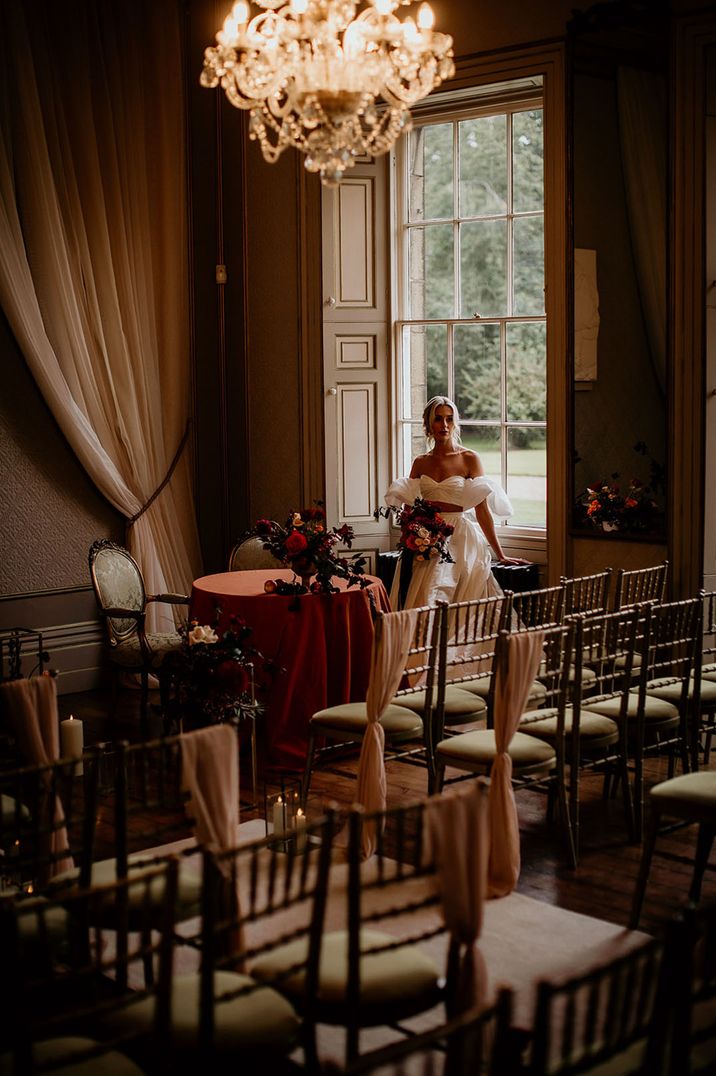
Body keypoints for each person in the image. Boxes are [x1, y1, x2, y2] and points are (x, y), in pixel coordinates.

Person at [385, 396, 528, 610]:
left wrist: (501, 555)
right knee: (422, 594)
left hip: (460, 537)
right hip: (426, 538)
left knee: (445, 589)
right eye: (438, 419)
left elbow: (482, 511)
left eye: (449, 419)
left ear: (455, 423)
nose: (444, 425)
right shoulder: (421, 462)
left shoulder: (469, 458)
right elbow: (409, 509)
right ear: (427, 424)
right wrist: (412, 540)